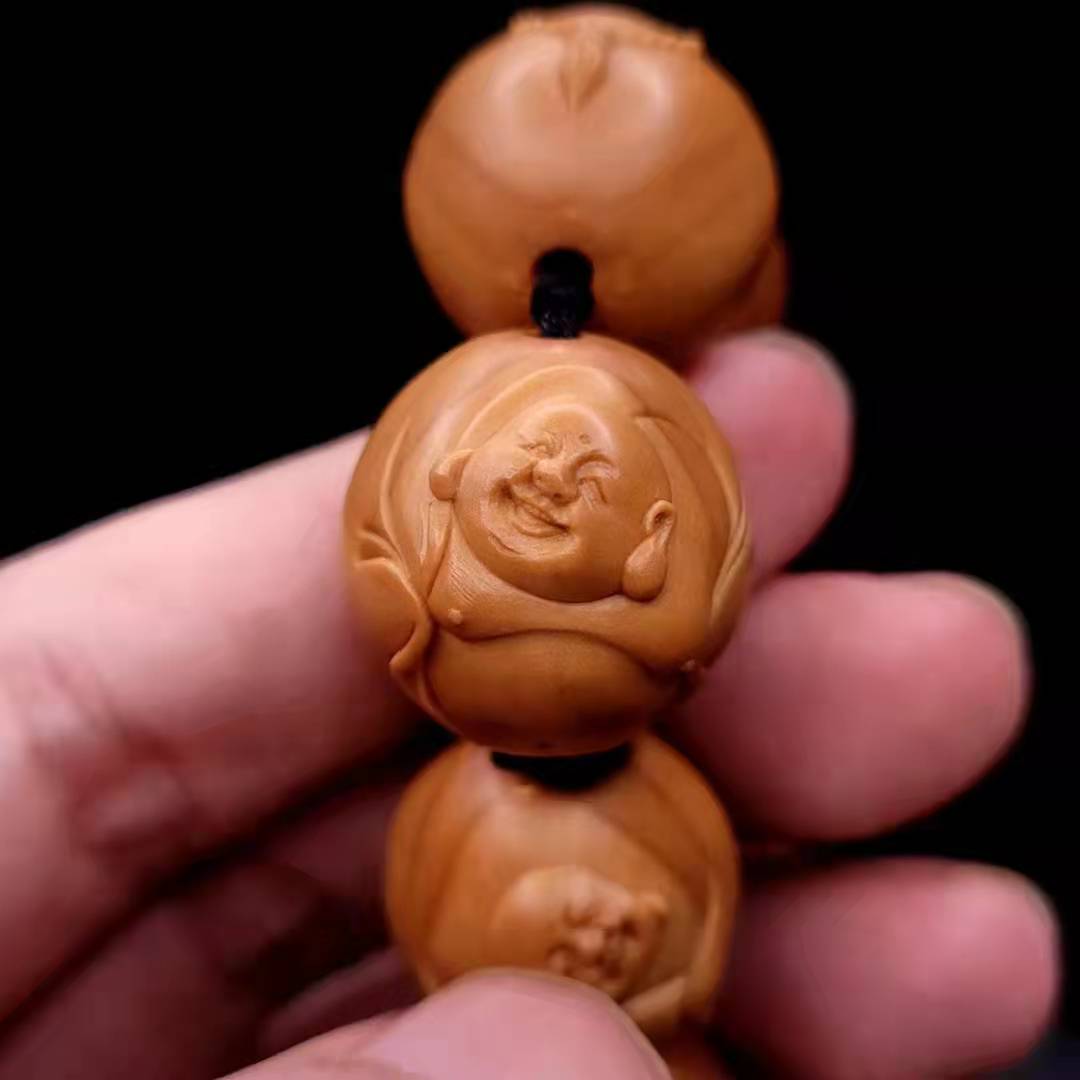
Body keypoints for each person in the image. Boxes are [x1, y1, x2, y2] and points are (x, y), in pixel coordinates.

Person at [0, 331, 1058, 1078]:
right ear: (456, 470)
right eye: (539, 451)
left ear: (650, 542)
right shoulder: (431, 603)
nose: (550, 476)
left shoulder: (654, 645)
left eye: (589, 480)